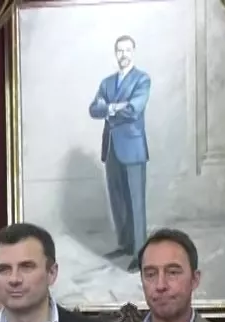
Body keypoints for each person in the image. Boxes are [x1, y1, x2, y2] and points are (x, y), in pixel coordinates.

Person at [89, 35, 150, 268]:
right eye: (119, 51)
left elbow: (135, 109)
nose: (123, 55)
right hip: (111, 146)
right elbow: (94, 109)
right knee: (118, 199)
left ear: (133, 52)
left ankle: (139, 252)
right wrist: (115, 107)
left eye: (127, 50)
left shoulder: (142, 79)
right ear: (115, 54)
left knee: (135, 200)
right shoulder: (106, 82)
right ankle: (125, 244)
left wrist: (108, 108)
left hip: (133, 147)